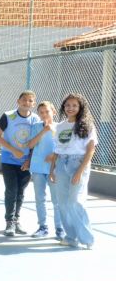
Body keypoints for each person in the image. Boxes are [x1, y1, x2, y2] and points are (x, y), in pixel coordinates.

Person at [50, 93, 98, 249]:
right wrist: (52, 170)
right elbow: (57, 150)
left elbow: (90, 150)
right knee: (62, 203)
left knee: (75, 201)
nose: (70, 108)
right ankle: (71, 237)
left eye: (75, 105)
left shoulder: (87, 126)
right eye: (68, 105)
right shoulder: (60, 126)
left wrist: (79, 171)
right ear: (63, 107)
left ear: (80, 107)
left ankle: (88, 239)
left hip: (78, 163)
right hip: (61, 164)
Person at [0, 90, 40, 236]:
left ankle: (16, 220)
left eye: (30, 100)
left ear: (34, 104)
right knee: (11, 190)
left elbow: (37, 142)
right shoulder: (8, 115)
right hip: (9, 159)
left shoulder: (36, 119)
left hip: (26, 161)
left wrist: (29, 160)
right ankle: (9, 222)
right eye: (24, 99)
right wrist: (13, 150)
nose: (27, 102)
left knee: (20, 192)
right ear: (18, 101)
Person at [25, 101, 64, 239]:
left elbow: (64, 147)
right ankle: (43, 227)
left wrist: (54, 155)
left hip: (54, 169)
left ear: (53, 112)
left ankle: (60, 228)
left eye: (47, 111)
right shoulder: (36, 127)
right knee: (40, 199)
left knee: (56, 200)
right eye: (41, 112)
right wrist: (44, 130)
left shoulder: (61, 127)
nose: (44, 114)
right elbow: (30, 145)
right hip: (38, 168)